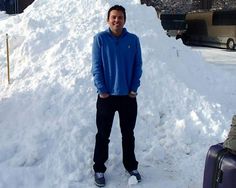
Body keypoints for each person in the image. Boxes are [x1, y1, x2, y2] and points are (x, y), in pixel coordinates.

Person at [91, 5, 143, 187]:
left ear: (124, 20)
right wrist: (102, 89)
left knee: (128, 134)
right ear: (108, 19)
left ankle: (131, 166)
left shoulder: (133, 40)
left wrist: (134, 88)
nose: (116, 20)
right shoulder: (100, 39)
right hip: (106, 97)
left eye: (120, 17)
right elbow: (96, 67)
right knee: (103, 134)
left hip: (128, 97)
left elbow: (138, 66)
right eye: (113, 17)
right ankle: (99, 168)